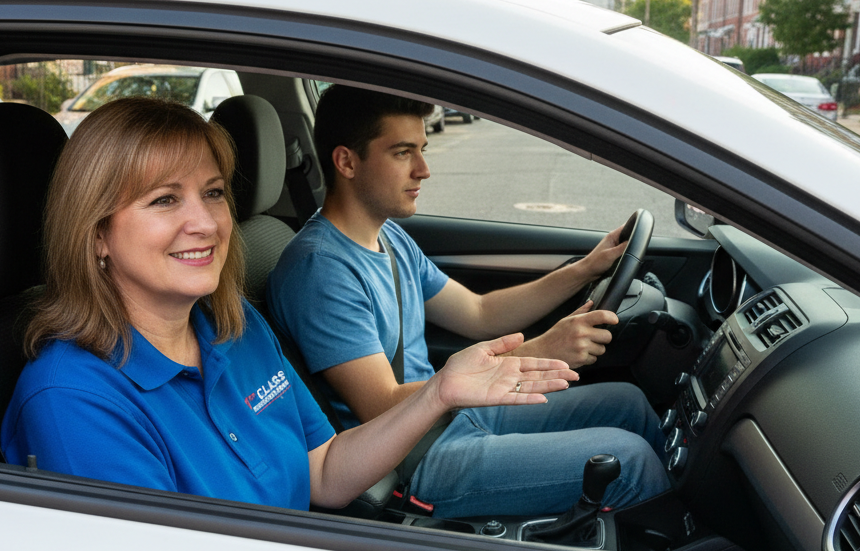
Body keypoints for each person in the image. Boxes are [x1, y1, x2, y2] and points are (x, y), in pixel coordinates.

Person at [1, 97, 571, 510]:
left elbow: (323, 471)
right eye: (164, 200)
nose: (206, 223)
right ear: (97, 233)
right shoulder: (72, 401)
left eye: (214, 193)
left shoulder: (233, 324)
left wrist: (438, 392)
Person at [266, 86, 672, 519]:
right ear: (347, 162)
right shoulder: (321, 270)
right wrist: (542, 349)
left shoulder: (390, 237)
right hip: (410, 460)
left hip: (450, 415)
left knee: (627, 403)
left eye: (422, 150)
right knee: (628, 462)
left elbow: (479, 313)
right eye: (403, 153)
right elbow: (382, 405)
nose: (423, 170)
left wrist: (585, 269)